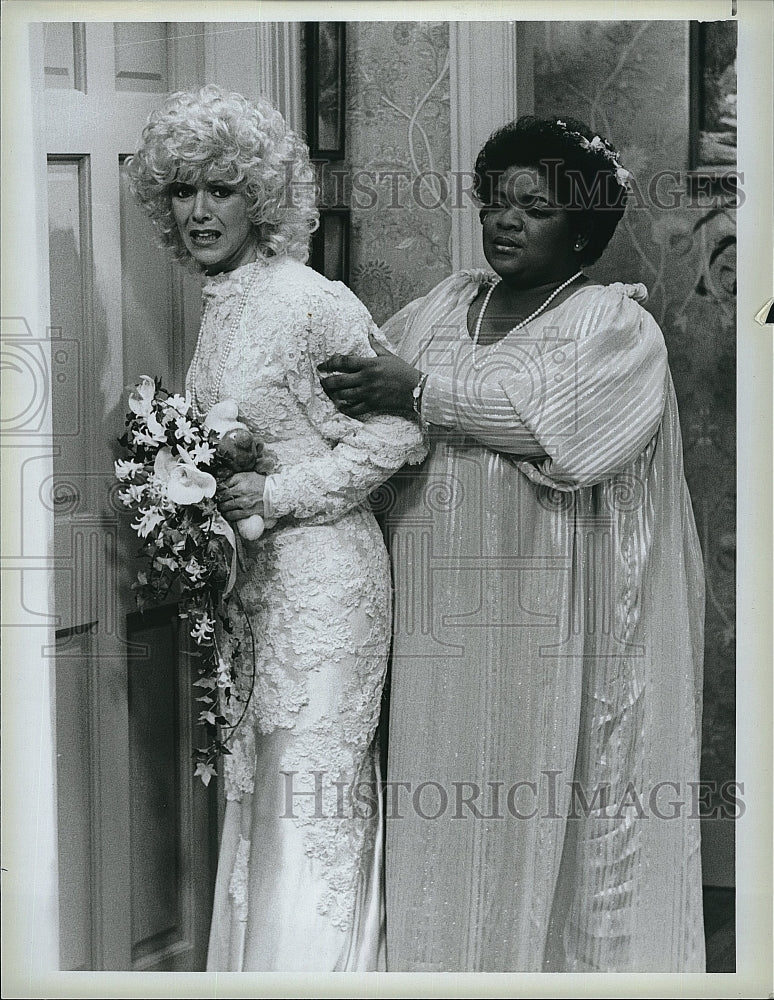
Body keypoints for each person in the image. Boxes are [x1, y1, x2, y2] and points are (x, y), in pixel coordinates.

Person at [320, 115, 706, 972]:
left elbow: (555, 434)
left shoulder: (611, 325)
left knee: (537, 789)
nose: (504, 219)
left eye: (533, 206)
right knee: (436, 784)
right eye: (496, 201)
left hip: (547, 605)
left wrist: (418, 390)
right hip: (434, 604)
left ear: (581, 227)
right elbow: (360, 392)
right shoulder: (442, 305)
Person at [128, 85, 426, 972]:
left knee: (311, 803)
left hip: (329, 585)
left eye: (220, 189)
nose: (199, 211)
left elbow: (400, 433)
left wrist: (273, 494)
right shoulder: (223, 302)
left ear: (258, 195)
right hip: (259, 590)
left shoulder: (309, 301)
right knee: (267, 798)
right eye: (182, 191)